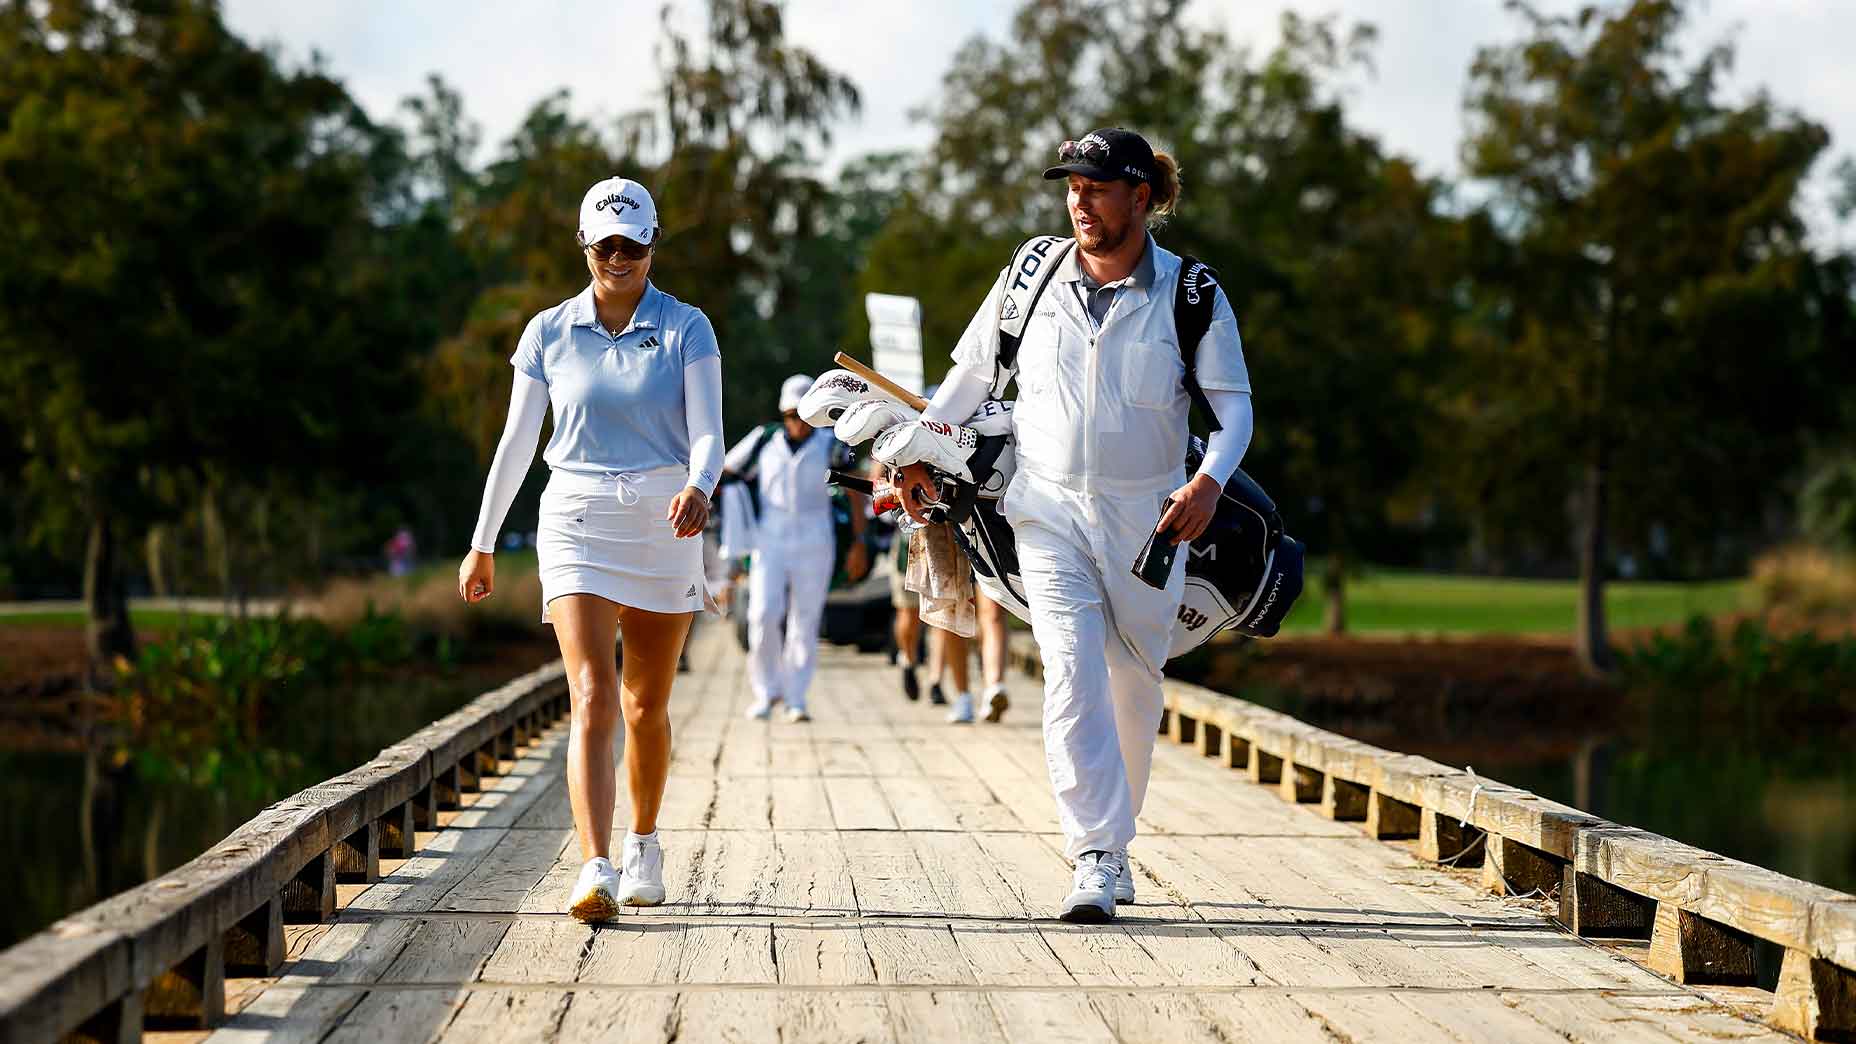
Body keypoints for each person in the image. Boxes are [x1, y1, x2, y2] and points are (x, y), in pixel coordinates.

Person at [900, 128, 1254, 922]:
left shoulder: (1191, 292)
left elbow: (1234, 413)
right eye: (1071, 186)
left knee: (1134, 681)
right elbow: (969, 378)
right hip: (1047, 505)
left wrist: (1207, 482)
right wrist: (916, 450)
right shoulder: (1031, 273)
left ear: (1141, 196)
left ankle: (1115, 841)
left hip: (1150, 520)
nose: (1079, 201)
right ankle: (1092, 851)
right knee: (1069, 665)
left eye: (1096, 186)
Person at [457, 176, 723, 924]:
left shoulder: (686, 326)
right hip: (574, 513)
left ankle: (645, 842)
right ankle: (595, 866)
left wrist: (701, 484)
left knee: (646, 702)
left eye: (633, 245)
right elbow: (518, 443)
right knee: (592, 694)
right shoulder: (547, 331)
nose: (619, 257)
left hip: (667, 516)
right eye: (605, 245)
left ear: (652, 244)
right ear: (584, 245)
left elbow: (709, 428)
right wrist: (482, 544)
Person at [723, 375, 868, 722]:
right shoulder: (764, 439)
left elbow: (853, 491)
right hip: (769, 536)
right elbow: (727, 468)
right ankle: (765, 690)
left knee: (806, 618)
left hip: (816, 536)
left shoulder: (832, 443)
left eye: (804, 416)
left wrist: (859, 543)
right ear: (783, 414)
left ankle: (796, 696)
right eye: (792, 415)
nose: (798, 423)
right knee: (762, 615)